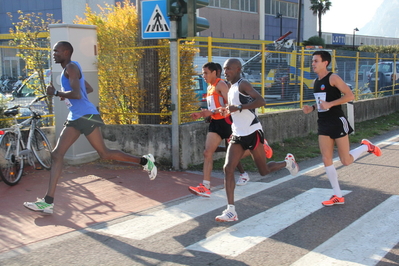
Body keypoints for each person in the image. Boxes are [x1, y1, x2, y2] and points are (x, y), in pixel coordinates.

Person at [23, 41, 157, 214]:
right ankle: (48, 202)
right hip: (77, 116)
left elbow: (78, 93)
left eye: (56, 51)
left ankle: (146, 161)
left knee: (104, 153)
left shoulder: (71, 67)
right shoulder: (72, 68)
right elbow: (87, 88)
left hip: (86, 116)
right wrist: (67, 95)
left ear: (65, 52)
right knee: (57, 154)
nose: (53, 53)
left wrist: (57, 93)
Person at [215, 58, 299, 222]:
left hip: (253, 132)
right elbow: (235, 110)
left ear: (238, 69)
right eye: (225, 69)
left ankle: (287, 163)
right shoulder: (231, 88)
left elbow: (261, 101)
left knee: (264, 171)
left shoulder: (242, 84)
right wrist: (225, 111)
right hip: (238, 134)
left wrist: (237, 108)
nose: (226, 72)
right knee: (228, 168)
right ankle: (231, 210)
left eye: (229, 69)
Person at [303, 50, 381, 207]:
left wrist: (330, 104)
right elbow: (322, 102)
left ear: (325, 62)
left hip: (337, 121)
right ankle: (338, 195)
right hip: (323, 122)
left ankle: (366, 147)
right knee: (326, 158)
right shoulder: (316, 82)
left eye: (316, 61)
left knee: (345, 160)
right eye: (312, 61)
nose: (313, 64)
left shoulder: (333, 77)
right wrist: (312, 108)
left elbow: (350, 96)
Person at [188, 62, 253, 198]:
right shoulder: (210, 86)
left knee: (234, 155)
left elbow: (231, 104)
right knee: (207, 152)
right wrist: (204, 114)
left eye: (206, 73)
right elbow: (213, 106)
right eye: (203, 72)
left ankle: (258, 147)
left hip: (228, 122)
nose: (203, 75)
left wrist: (211, 111)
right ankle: (205, 186)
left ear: (214, 73)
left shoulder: (221, 84)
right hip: (215, 123)